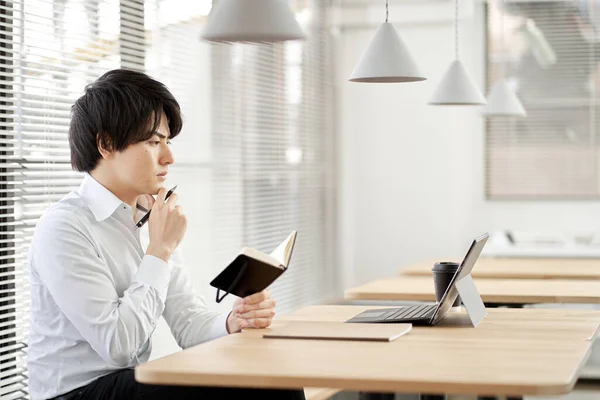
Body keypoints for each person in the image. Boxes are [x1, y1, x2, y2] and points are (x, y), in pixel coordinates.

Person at [27, 69, 305, 400]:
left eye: (167, 142)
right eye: (153, 141)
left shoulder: (150, 218)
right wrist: (160, 249)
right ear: (105, 144)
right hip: (76, 394)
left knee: (274, 374)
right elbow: (117, 346)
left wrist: (234, 321)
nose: (169, 157)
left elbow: (190, 325)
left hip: (131, 383)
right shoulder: (64, 227)